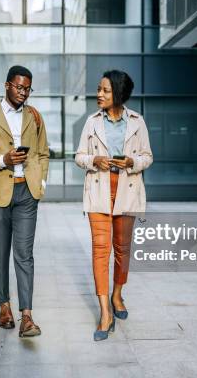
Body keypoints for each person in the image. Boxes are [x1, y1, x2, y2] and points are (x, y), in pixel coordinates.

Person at [0, 65, 49, 338]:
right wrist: (3, 159)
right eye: (19, 87)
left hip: (26, 192)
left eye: (27, 88)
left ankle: (26, 315)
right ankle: (4, 306)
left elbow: (42, 153)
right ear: (7, 85)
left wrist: (41, 181)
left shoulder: (35, 117)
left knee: (24, 254)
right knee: (0, 251)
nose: (23, 92)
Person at [75, 70, 153, 341]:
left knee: (121, 249)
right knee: (100, 250)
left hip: (127, 190)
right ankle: (105, 312)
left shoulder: (137, 121)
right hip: (98, 189)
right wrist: (94, 161)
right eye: (99, 89)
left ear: (118, 93)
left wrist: (132, 163)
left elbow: (147, 157)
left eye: (105, 90)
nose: (99, 94)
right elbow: (79, 156)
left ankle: (117, 294)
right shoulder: (92, 121)